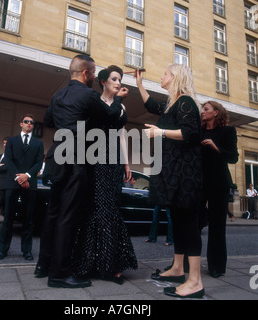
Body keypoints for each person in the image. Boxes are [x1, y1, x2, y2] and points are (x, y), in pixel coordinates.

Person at [35, 56, 127, 289]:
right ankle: (59, 274)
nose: (95, 77)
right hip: (75, 160)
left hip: (57, 156)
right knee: (68, 216)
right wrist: (117, 100)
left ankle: (43, 265)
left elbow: (47, 121)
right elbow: (109, 116)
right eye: (94, 73)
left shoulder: (58, 95)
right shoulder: (89, 95)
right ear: (86, 73)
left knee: (53, 214)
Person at [135, 64, 204, 298]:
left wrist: (161, 133)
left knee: (187, 223)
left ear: (175, 78)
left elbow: (190, 133)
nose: (161, 76)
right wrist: (139, 84)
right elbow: (151, 105)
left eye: (165, 73)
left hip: (185, 173)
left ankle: (195, 281)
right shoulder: (171, 104)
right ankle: (177, 268)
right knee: (177, 220)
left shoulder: (186, 102)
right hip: (172, 171)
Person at [72, 65, 138, 285]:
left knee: (111, 209)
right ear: (103, 81)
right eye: (114, 78)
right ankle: (90, 263)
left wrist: (127, 165)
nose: (118, 82)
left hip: (114, 162)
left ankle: (112, 265)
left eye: (120, 79)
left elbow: (121, 136)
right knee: (97, 207)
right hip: (97, 159)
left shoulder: (122, 107)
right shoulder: (95, 103)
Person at [0, 114, 44, 261]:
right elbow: (8, 160)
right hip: (13, 183)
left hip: (30, 183)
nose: (29, 124)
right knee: (8, 218)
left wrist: (27, 176)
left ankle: (26, 251)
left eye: (32, 122)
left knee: (28, 219)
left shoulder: (38, 143)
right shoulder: (12, 141)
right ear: (20, 124)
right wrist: (19, 178)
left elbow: (38, 163)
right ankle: (2, 250)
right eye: (26, 121)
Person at [201, 101, 239, 278]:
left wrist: (216, 148)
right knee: (194, 223)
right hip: (199, 183)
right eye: (202, 109)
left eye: (206, 109)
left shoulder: (227, 131)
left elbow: (233, 158)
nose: (203, 112)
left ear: (216, 113)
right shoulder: (199, 131)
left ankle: (216, 266)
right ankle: (186, 262)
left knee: (217, 226)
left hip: (219, 183)